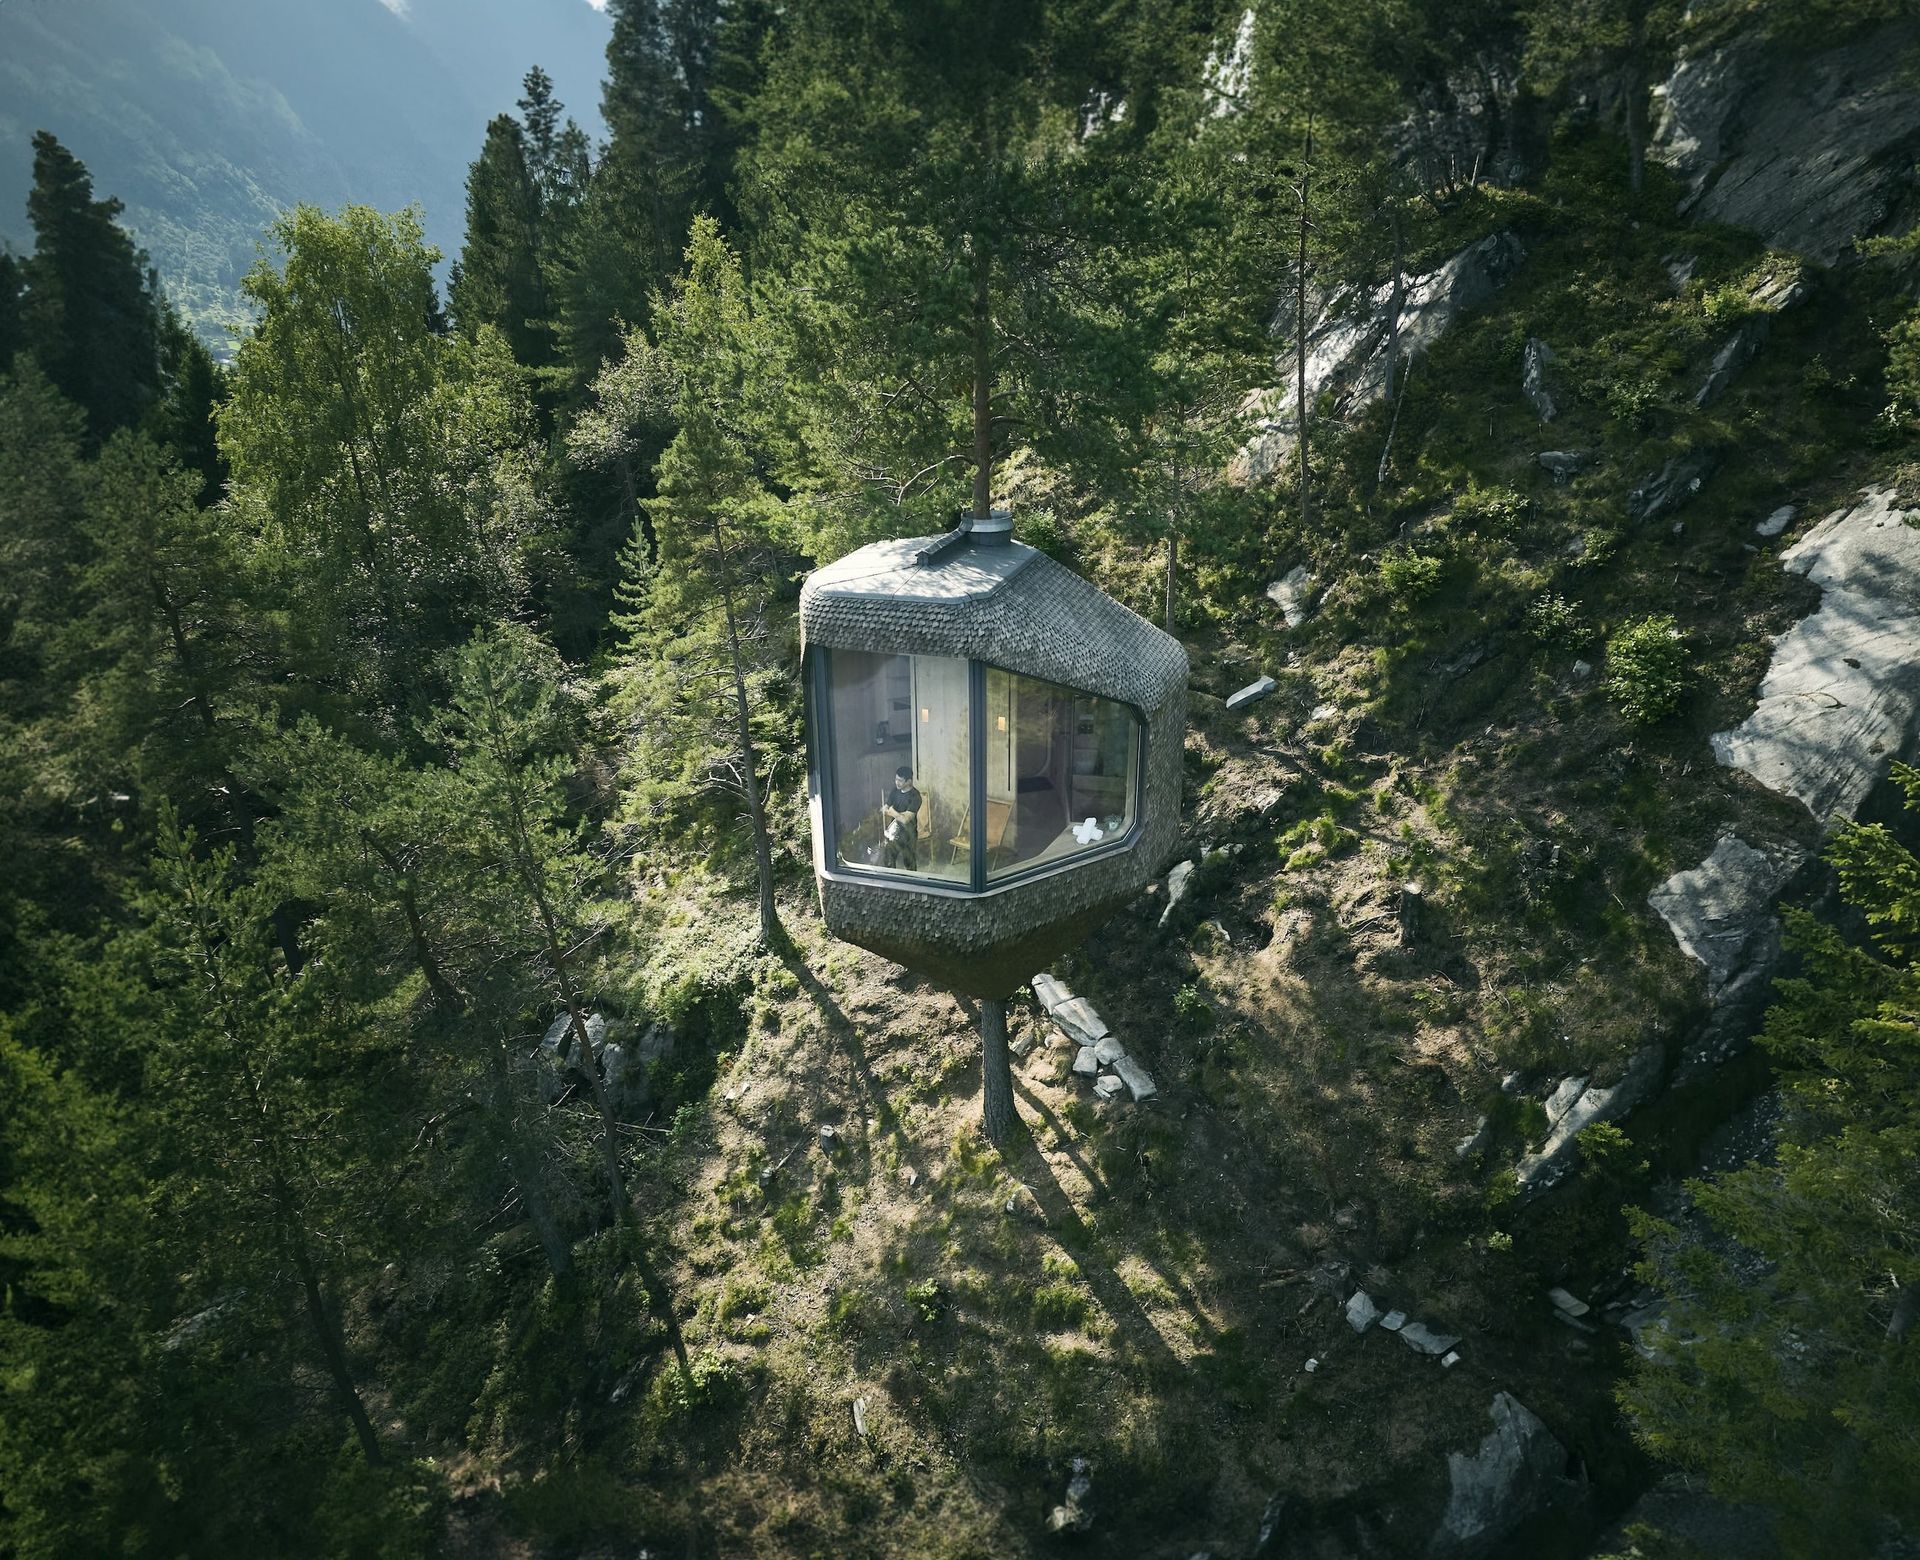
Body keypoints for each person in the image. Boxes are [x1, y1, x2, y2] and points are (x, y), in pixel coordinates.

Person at [881, 764, 923, 871]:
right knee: (888, 859)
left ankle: (912, 880)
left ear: (909, 781)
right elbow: (885, 808)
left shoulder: (915, 796)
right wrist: (896, 813)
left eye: (900, 780)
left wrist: (892, 812)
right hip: (894, 831)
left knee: (909, 863)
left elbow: (905, 820)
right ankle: (891, 879)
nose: (897, 782)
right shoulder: (895, 791)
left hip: (909, 834)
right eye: (896, 779)